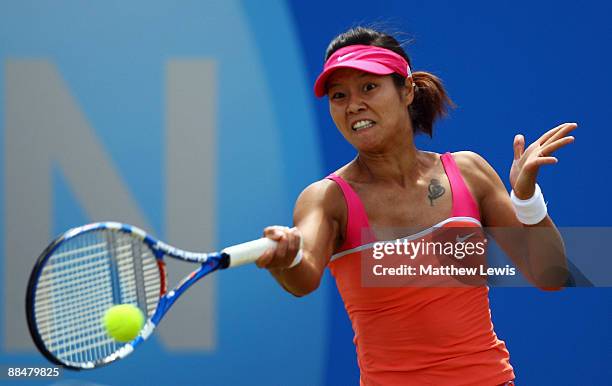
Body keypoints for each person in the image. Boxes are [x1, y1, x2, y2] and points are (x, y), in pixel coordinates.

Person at [255, 26, 575, 385]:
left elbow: (552, 275)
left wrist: (526, 197)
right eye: (338, 95)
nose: (353, 104)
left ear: (406, 90)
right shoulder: (327, 199)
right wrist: (288, 258)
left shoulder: (469, 172)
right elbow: (303, 276)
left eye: (369, 86)